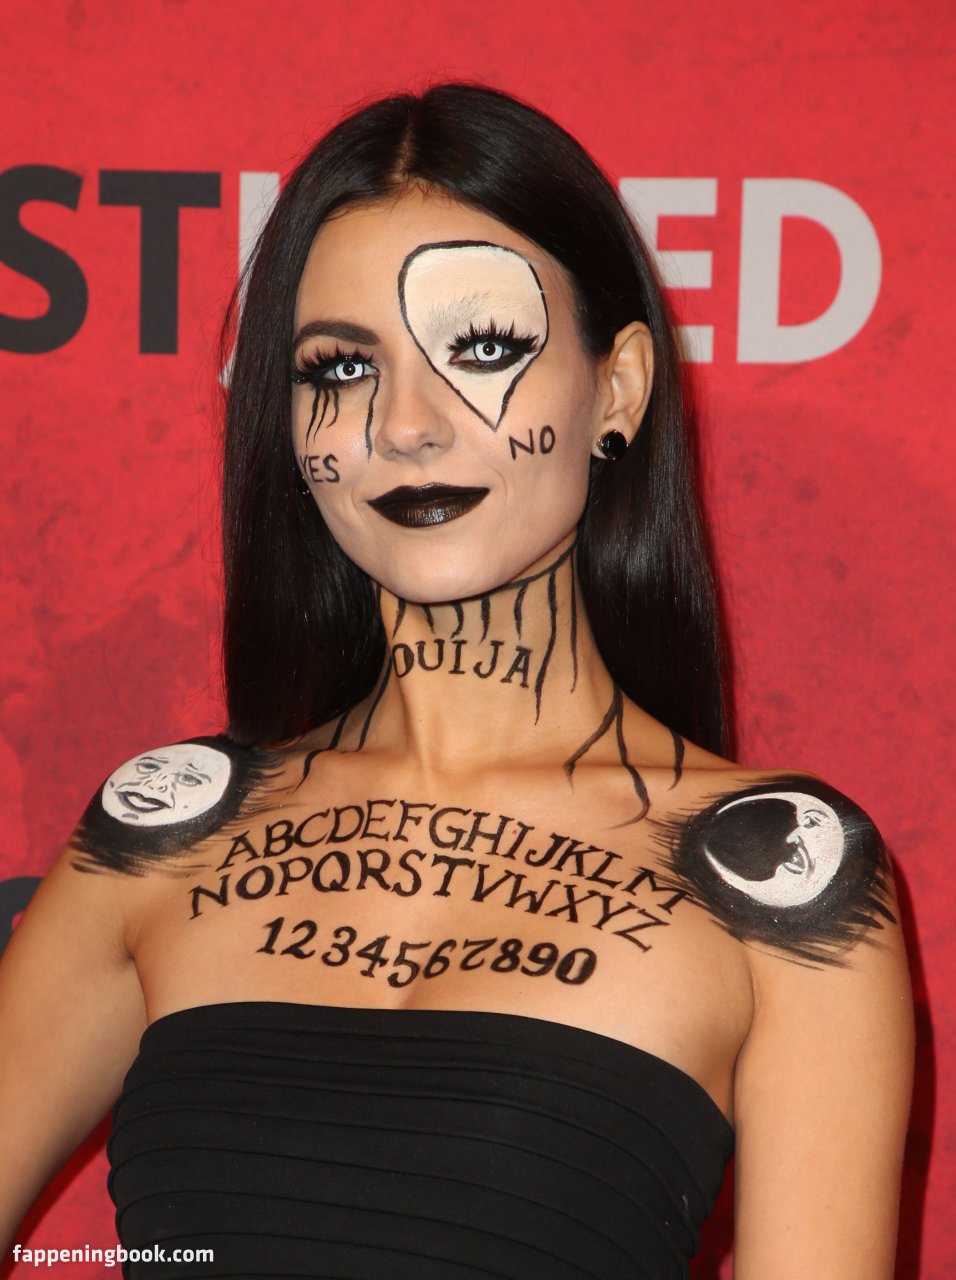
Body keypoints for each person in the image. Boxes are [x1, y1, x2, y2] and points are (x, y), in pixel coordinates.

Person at [0, 83, 913, 1279]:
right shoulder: (164, 836)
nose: (405, 425)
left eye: (481, 347)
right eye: (340, 367)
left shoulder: (778, 886)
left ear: (618, 389)